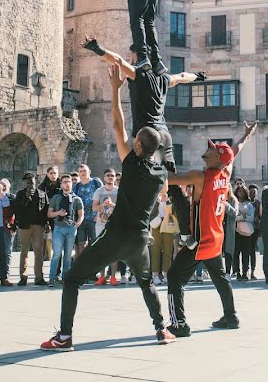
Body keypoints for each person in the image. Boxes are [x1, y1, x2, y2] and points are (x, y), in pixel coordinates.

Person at [40, 64, 177, 350]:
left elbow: (117, 125)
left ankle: (64, 336)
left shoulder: (133, 162)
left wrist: (115, 89)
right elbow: (161, 180)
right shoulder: (161, 173)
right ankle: (161, 329)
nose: (132, 140)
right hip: (140, 240)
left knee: (73, 278)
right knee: (146, 283)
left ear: (138, 144)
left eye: (135, 139)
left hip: (116, 236)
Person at [80, 35, 204, 248]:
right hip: (165, 134)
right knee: (173, 186)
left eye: (132, 55)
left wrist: (97, 48)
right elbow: (182, 76)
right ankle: (186, 234)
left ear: (138, 55)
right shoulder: (163, 79)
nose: (131, 58)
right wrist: (197, 76)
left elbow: (117, 61)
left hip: (148, 135)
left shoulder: (138, 74)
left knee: (144, 182)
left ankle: (143, 230)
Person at [165, 122, 257, 337]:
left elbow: (168, 179)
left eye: (212, 149)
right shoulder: (225, 173)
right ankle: (231, 316)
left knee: (175, 278)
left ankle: (179, 324)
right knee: (220, 278)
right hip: (215, 238)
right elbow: (235, 152)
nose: (209, 148)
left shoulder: (200, 176)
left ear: (216, 158)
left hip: (200, 240)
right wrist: (246, 136)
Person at [13, 172, 50, 286]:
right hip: (25, 227)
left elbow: (46, 210)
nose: (30, 184)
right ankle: (23, 277)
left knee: (38, 252)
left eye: (32, 182)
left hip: (38, 226)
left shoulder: (42, 194)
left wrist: (47, 223)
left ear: (36, 181)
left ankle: (39, 278)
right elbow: (17, 210)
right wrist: (26, 198)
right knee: (24, 251)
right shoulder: (20, 194)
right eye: (28, 183)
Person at [48, 174, 83, 286]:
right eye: (64, 182)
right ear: (61, 184)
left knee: (68, 255)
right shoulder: (56, 198)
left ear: (72, 183)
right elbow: (49, 214)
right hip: (58, 228)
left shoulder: (77, 199)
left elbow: (81, 215)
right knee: (57, 254)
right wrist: (59, 213)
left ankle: (65, 277)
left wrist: (77, 225)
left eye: (69, 181)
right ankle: (52, 278)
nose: (67, 184)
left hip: (71, 229)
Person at [93, 168, 121, 285]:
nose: (110, 177)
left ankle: (113, 277)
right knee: (101, 251)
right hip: (101, 224)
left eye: (112, 175)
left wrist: (112, 205)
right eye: (108, 175)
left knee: (114, 251)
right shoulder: (99, 191)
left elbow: (123, 208)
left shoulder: (119, 191)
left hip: (115, 225)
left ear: (115, 178)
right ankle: (102, 277)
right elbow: (94, 208)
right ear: (104, 178)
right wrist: (103, 204)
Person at [73, 164, 103, 259]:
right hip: (81, 220)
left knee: (96, 244)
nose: (82, 173)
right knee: (82, 246)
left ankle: (96, 269)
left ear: (89, 172)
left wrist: (99, 214)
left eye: (84, 171)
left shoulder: (96, 182)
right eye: (80, 171)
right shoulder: (76, 187)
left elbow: (103, 197)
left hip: (95, 219)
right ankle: (84, 268)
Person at [150, 188, 177, 286]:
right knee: (155, 250)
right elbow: (150, 213)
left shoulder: (170, 198)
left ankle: (166, 276)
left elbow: (174, 212)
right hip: (156, 224)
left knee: (168, 250)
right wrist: (157, 202)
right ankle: (156, 275)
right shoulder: (154, 197)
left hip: (168, 224)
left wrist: (168, 201)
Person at [233, 186, 256, 280]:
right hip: (236, 231)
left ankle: (245, 272)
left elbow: (251, 218)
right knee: (236, 252)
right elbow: (233, 217)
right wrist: (244, 216)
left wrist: (241, 216)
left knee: (246, 253)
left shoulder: (249, 204)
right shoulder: (234, 203)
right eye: (239, 191)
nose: (241, 193)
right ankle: (237, 272)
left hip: (247, 232)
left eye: (243, 191)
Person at [0, 178, 17, 273]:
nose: (3, 188)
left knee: (7, 251)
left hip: (9, 226)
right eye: (1, 186)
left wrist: (14, 227)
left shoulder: (13, 198)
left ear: (9, 187)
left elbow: (16, 213)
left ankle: (6, 271)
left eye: (5, 186)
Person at [247, 184, 260, 280]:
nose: (253, 194)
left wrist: (258, 219)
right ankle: (245, 270)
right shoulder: (246, 203)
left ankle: (252, 271)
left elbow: (261, 215)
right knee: (246, 251)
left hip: (255, 230)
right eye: (251, 192)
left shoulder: (258, 203)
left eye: (254, 192)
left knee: (252, 251)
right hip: (245, 229)